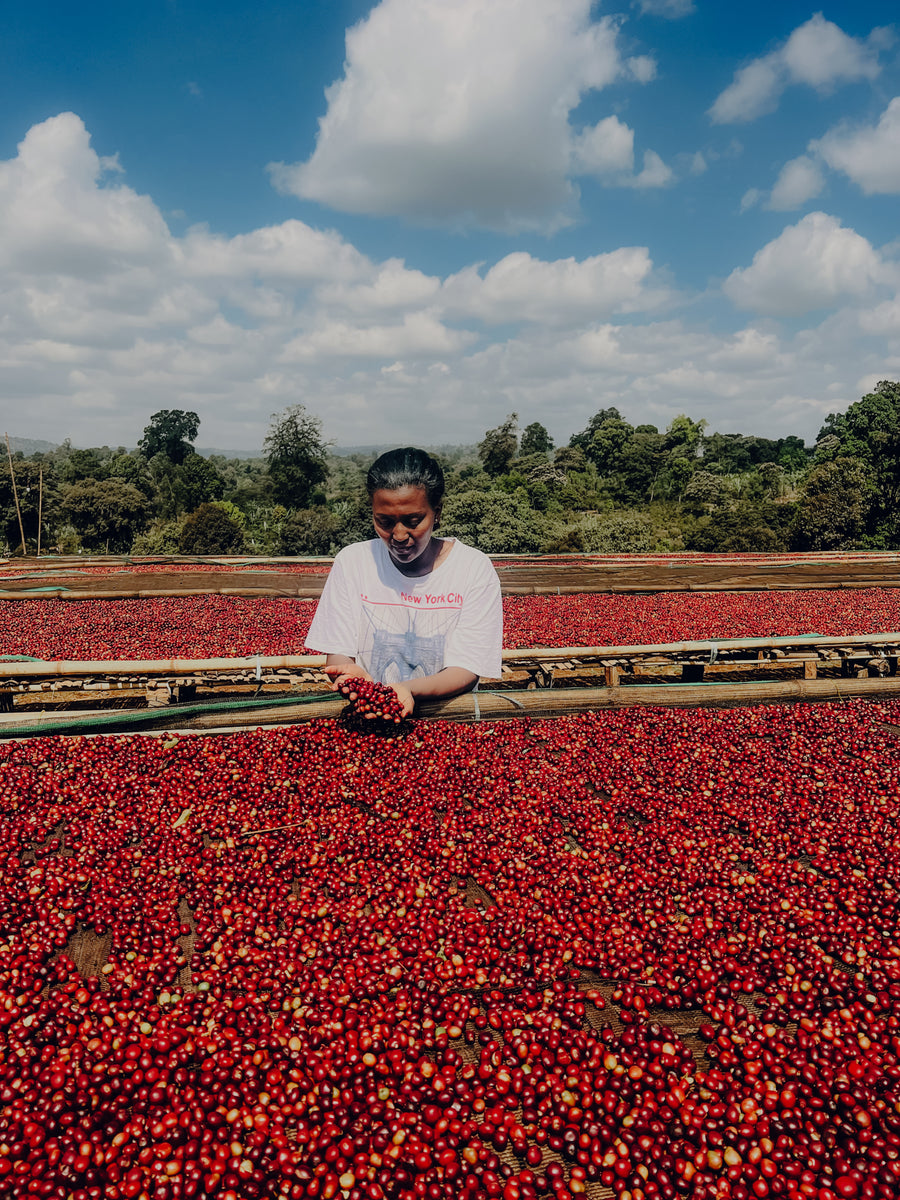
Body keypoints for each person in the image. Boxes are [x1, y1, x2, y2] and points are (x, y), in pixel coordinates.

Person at [306, 447, 503, 717]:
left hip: (449, 719)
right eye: (384, 521)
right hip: (368, 716)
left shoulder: (472, 568)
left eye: (413, 521)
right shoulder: (353, 562)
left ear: (438, 513)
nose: (399, 535)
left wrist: (406, 689)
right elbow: (340, 654)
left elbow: (467, 669)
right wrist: (354, 680)